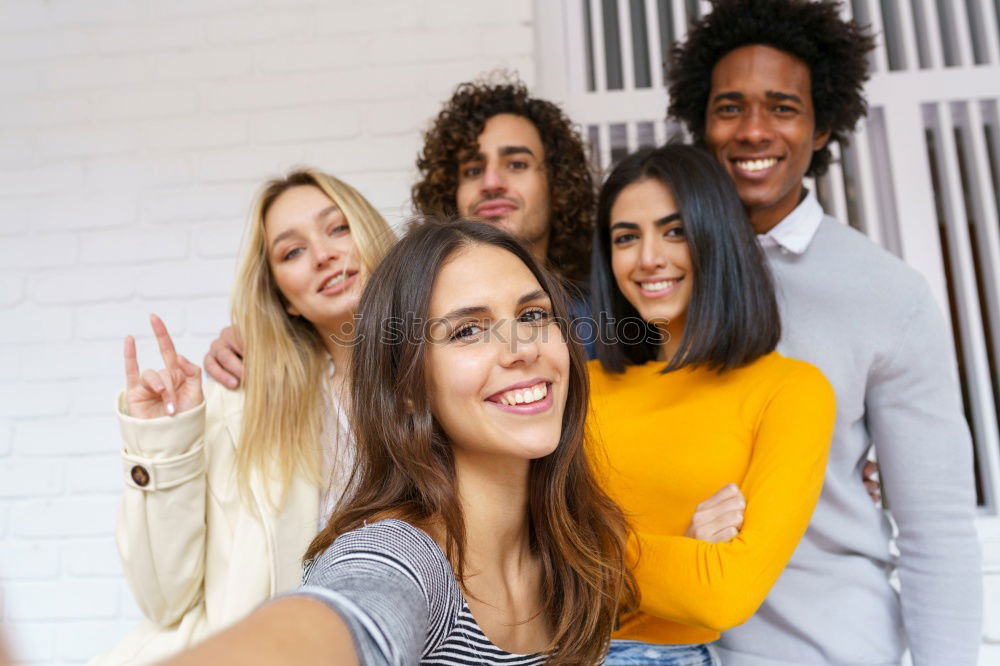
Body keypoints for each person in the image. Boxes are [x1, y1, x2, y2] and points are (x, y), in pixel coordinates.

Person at [160, 220, 638, 666]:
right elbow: (351, 608)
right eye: (468, 330)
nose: (523, 348)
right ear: (408, 388)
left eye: (533, 314)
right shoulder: (400, 557)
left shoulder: (577, 555)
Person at [667, 1, 982, 664]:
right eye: (730, 107)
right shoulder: (653, 276)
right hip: (672, 645)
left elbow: (937, 530)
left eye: (782, 107)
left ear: (820, 128)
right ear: (702, 124)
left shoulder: (888, 293)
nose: (754, 131)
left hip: (829, 649)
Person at [90, 169, 396, 665]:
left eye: (338, 228)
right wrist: (167, 438)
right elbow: (163, 598)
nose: (323, 255)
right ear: (283, 299)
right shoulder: (242, 406)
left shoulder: (455, 380)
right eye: (292, 251)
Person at [588, 144, 835, 665]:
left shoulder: (790, 391)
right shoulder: (578, 386)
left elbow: (725, 595)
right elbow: (507, 555)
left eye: (674, 231)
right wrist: (684, 550)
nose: (649, 257)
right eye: (626, 237)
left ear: (717, 237)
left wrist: (574, 545)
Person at [203, 74, 599, 388]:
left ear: (557, 182)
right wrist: (254, 341)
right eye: (473, 170)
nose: (491, 182)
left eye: (516, 164)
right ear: (450, 190)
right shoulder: (414, 311)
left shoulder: (605, 312)